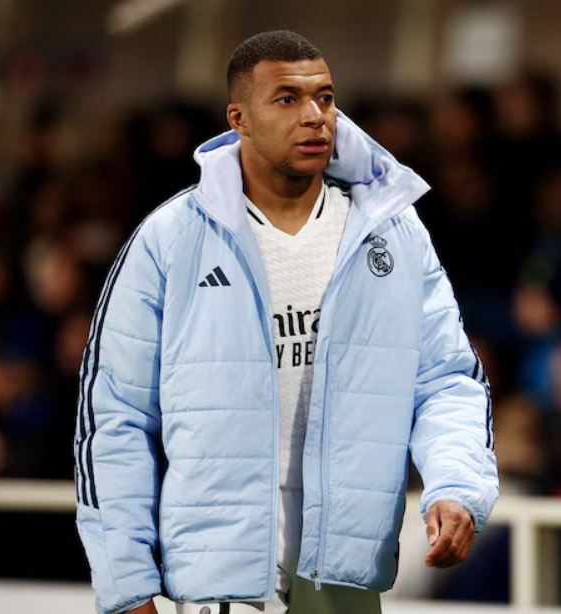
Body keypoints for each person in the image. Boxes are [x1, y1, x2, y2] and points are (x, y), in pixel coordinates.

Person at [73, 30, 499, 614]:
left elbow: (447, 379)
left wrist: (454, 486)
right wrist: (126, 584)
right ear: (239, 119)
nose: (315, 116)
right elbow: (115, 418)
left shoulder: (390, 233)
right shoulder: (171, 240)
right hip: (223, 577)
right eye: (287, 99)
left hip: (345, 573)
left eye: (325, 97)